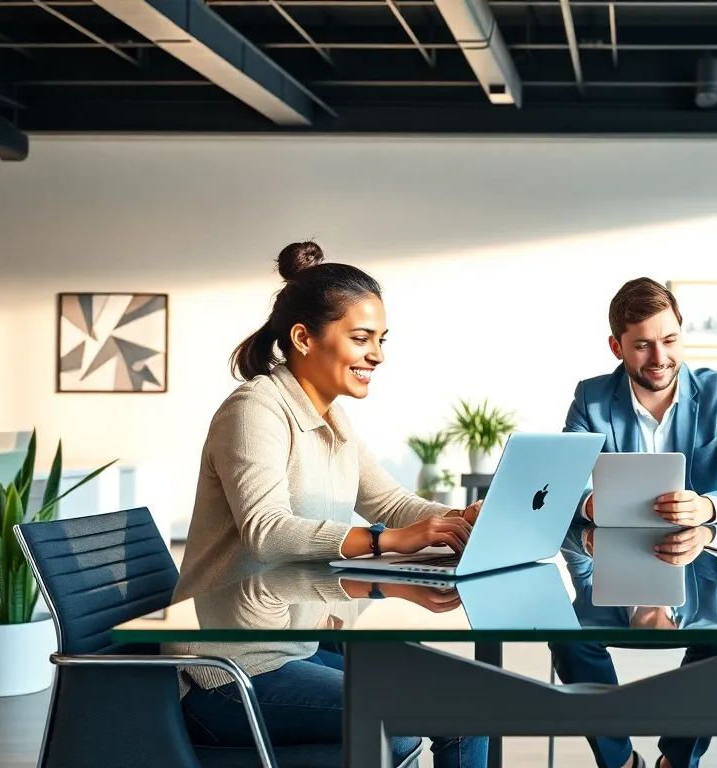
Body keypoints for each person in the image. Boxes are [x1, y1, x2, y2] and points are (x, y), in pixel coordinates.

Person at [169, 242, 486, 768]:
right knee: (451, 712)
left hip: (298, 649)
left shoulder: (334, 420)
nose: (377, 355)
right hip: (228, 674)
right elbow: (266, 530)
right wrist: (390, 540)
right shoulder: (255, 410)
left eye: (381, 340)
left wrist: (458, 520)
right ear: (303, 338)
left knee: (468, 700)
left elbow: (389, 500)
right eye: (361, 338)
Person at [551, 277, 717, 768]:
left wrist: (708, 508)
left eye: (670, 339)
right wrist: (590, 506)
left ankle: (676, 761)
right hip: (612, 572)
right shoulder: (591, 398)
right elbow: (561, 485)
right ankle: (620, 762)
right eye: (642, 345)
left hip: (704, 569)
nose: (660, 357)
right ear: (616, 347)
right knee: (567, 639)